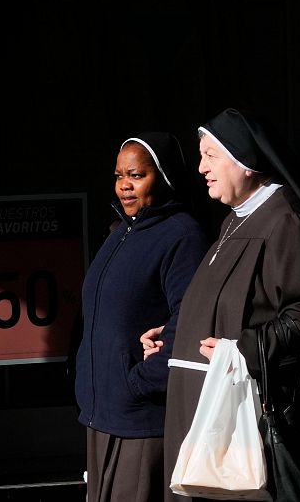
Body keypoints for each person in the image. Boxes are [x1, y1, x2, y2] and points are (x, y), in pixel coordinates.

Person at [144, 108, 300, 501]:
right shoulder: (236, 220)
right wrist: (174, 334)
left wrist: (242, 350)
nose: (201, 167)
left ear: (245, 161)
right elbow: (226, 304)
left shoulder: (284, 221)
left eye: (211, 156)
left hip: (247, 423)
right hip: (204, 412)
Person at [75, 132, 209, 502]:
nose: (125, 187)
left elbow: (192, 317)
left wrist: (144, 380)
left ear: (162, 177)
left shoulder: (182, 235)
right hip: (102, 415)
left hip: (142, 420)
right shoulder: (121, 231)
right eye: (119, 176)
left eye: (136, 175)